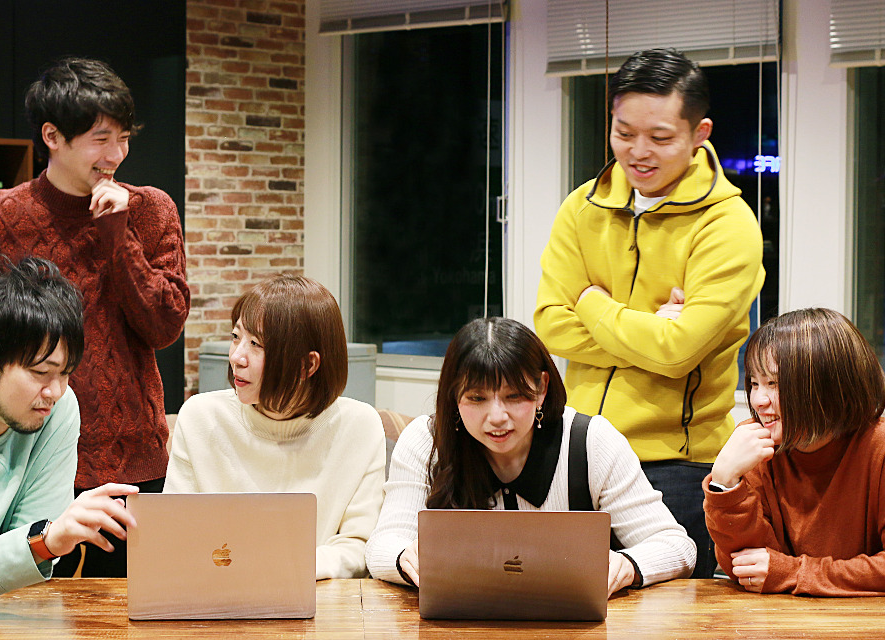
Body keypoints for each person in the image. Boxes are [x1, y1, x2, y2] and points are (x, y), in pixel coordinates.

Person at [0, 57, 188, 577]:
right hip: (26, 469)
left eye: (124, 139)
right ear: (52, 136)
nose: (116, 155)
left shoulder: (150, 210)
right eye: (100, 139)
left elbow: (164, 326)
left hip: (131, 470)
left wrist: (119, 237)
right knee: (27, 609)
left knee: (127, 613)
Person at [534, 48, 765, 578]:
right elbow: (550, 325)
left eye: (660, 137)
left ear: (700, 132)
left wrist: (590, 301)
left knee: (675, 616)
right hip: (579, 449)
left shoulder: (728, 225)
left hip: (677, 465)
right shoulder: (582, 208)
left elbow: (678, 351)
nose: (638, 152)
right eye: (623, 132)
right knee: (562, 604)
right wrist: (651, 330)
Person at [366, 317, 695, 595]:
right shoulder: (426, 442)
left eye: (514, 396)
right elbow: (382, 545)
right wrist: (405, 557)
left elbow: (675, 545)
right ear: (453, 396)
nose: (497, 417)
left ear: (541, 388)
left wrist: (627, 564)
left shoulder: (591, 441)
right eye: (477, 398)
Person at [0, 257, 137, 613]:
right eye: (40, 372)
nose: (55, 391)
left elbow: (29, 565)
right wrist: (42, 542)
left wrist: (40, 543)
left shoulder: (56, 410)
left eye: (65, 373)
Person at [164, 274, 386, 579]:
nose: (236, 357)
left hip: (319, 599)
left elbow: (358, 545)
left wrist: (280, 567)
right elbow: (174, 534)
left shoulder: (359, 427)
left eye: (256, 344)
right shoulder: (201, 418)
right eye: (236, 337)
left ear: (307, 365)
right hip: (216, 591)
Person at [704, 308, 885, 595]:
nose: (758, 400)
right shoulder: (756, 445)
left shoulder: (878, 445)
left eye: (773, 383)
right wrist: (724, 483)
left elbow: (775, 571)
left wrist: (795, 573)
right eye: (754, 383)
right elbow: (747, 567)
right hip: (780, 616)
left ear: (826, 385)